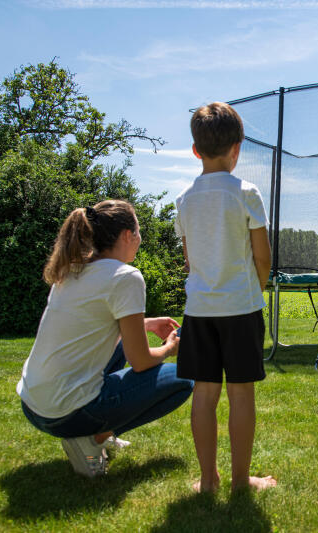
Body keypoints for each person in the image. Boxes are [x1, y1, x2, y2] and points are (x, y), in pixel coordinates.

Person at [17, 199, 193, 478]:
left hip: (33, 405)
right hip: (65, 413)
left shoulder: (72, 269)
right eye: (138, 231)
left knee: (124, 342)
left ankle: (93, 432)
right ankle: (94, 437)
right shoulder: (126, 277)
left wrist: (145, 324)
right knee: (183, 379)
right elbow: (141, 362)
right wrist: (171, 348)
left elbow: (91, 325)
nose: (140, 238)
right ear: (127, 235)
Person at [174, 101, 276, 493]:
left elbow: (190, 262)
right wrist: (254, 292)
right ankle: (239, 481)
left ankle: (207, 479)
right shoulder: (246, 192)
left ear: (196, 150)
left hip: (199, 311)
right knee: (241, 394)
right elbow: (262, 257)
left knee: (204, 392)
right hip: (241, 309)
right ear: (237, 148)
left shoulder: (183, 200)